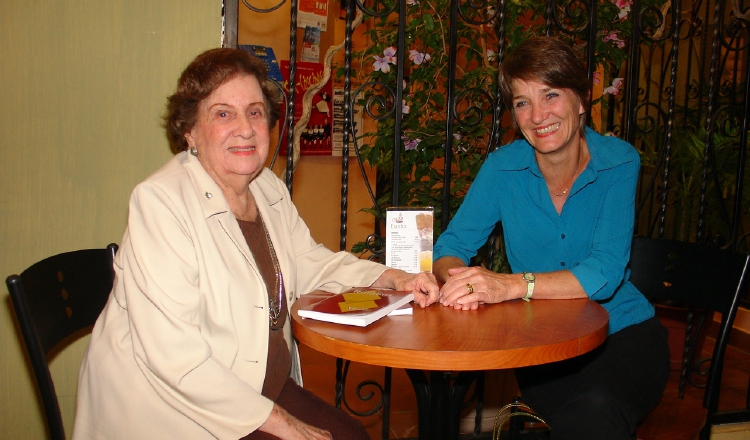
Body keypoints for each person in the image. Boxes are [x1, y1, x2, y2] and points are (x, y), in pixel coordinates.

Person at [72, 48, 439, 440]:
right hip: (173, 409)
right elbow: (175, 360)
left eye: (255, 112)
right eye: (223, 114)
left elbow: (310, 261)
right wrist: (285, 425)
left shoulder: (265, 186)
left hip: (256, 386)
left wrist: (391, 277)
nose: (245, 128)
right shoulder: (161, 203)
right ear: (190, 131)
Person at [432, 36, 669, 440]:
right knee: (589, 420)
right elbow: (451, 246)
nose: (538, 115)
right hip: (546, 347)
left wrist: (509, 285)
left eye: (551, 95)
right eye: (523, 102)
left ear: (580, 100)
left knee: (595, 414)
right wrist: (461, 281)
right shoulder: (502, 168)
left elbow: (606, 273)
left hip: (625, 333)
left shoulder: (620, 161)